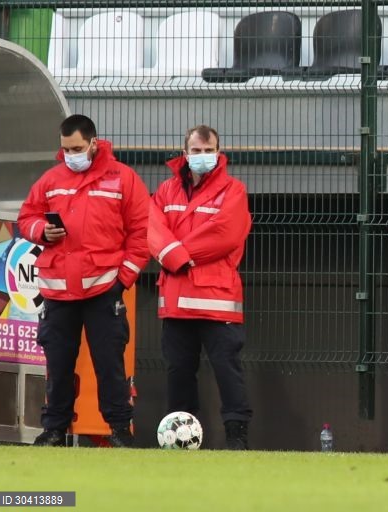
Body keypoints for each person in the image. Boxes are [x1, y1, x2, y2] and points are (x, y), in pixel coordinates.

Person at [18, 114, 150, 448]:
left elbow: (141, 232)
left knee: (109, 364)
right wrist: (43, 232)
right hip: (59, 290)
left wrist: (124, 279)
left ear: (93, 142)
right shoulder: (51, 179)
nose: (70, 155)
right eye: (65, 149)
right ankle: (53, 430)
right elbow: (27, 218)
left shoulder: (123, 179)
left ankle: (119, 429)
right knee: (58, 365)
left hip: (104, 288)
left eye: (76, 148)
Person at [148, 125, 253, 450]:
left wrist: (176, 254)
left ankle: (237, 437)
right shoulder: (166, 191)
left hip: (217, 300)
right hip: (178, 301)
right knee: (178, 372)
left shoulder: (233, 191)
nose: (203, 157)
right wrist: (177, 255)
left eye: (209, 151)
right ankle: (179, 439)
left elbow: (225, 235)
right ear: (185, 153)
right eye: (196, 151)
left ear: (219, 154)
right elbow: (151, 228)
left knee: (227, 371)